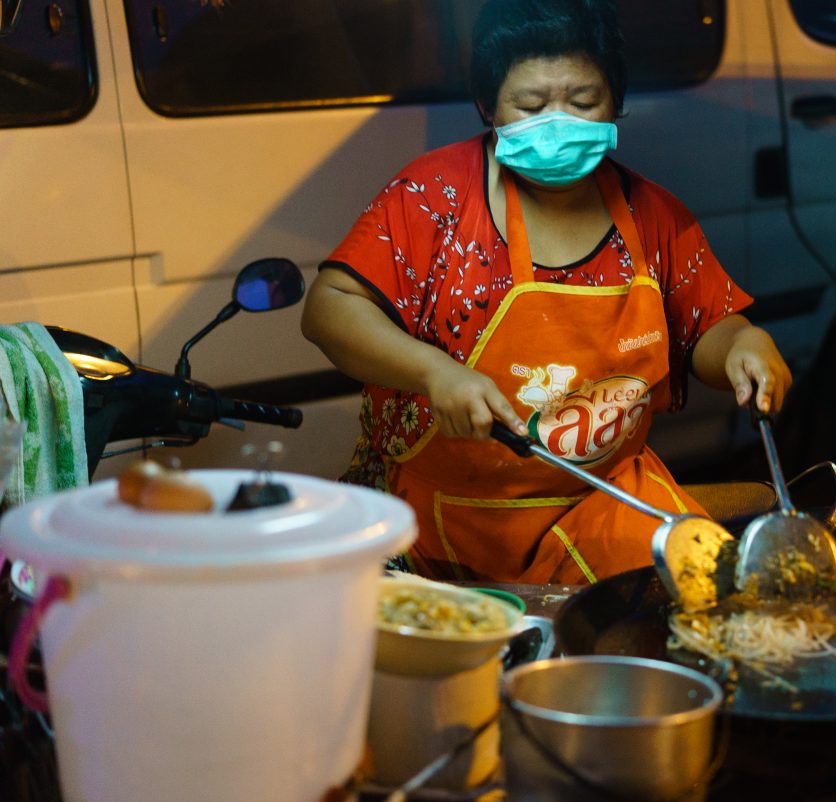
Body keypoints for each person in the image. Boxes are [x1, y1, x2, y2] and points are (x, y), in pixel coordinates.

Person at [301, 0, 791, 584]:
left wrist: (742, 343)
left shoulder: (654, 217)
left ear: (616, 101)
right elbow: (329, 309)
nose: (557, 123)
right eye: (530, 105)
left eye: (583, 102)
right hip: (433, 521)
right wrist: (434, 372)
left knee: (695, 599)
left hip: (602, 503)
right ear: (488, 106)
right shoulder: (434, 197)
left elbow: (710, 324)